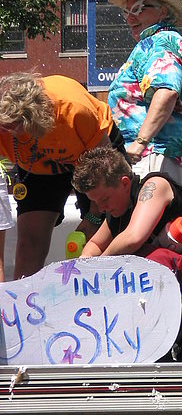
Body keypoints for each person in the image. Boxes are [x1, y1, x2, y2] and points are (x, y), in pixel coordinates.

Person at [72, 146, 182, 360]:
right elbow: (95, 246)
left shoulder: (155, 185)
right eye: (97, 202)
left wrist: (100, 269)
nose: (101, 208)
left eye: (105, 199)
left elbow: (133, 238)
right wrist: (83, 270)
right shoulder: (118, 211)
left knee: (153, 260)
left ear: (125, 183)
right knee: (140, 265)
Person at [0, 72, 127, 278]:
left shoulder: (73, 109)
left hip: (96, 159)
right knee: (29, 243)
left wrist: (94, 216)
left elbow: (104, 171)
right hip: (37, 164)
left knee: (105, 230)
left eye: (10, 127)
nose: (4, 132)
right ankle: (25, 305)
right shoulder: (6, 128)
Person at [107, 0, 182, 199]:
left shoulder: (161, 41)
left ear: (162, 12)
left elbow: (166, 92)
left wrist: (139, 143)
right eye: (126, 12)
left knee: (151, 231)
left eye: (137, 9)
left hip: (158, 156)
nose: (130, 18)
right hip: (165, 157)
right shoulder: (161, 42)